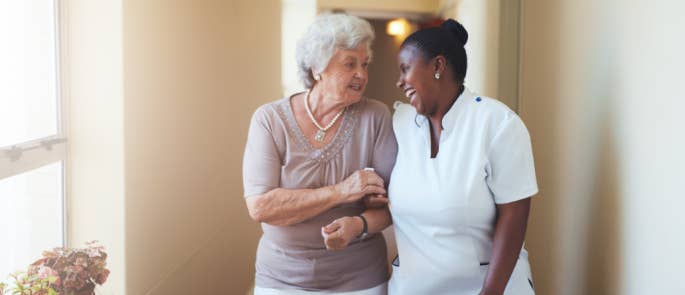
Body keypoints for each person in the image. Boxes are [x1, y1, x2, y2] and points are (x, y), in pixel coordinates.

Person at [242, 13, 397, 295]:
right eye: (349, 64)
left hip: (359, 277)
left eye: (364, 64)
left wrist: (358, 223)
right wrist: (342, 191)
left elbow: (391, 205)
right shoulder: (270, 119)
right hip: (282, 277)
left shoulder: (375, 116)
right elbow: (261, 207)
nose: (361, 74)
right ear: (317, 69)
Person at [388, 19, 538, 295]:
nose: (399, 81)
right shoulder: (401, 123)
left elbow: (515, 214)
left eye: (406, 69)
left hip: (486, 287)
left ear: (437, 66)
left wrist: (491, 291)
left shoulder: (497, 123)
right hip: (413, 287)